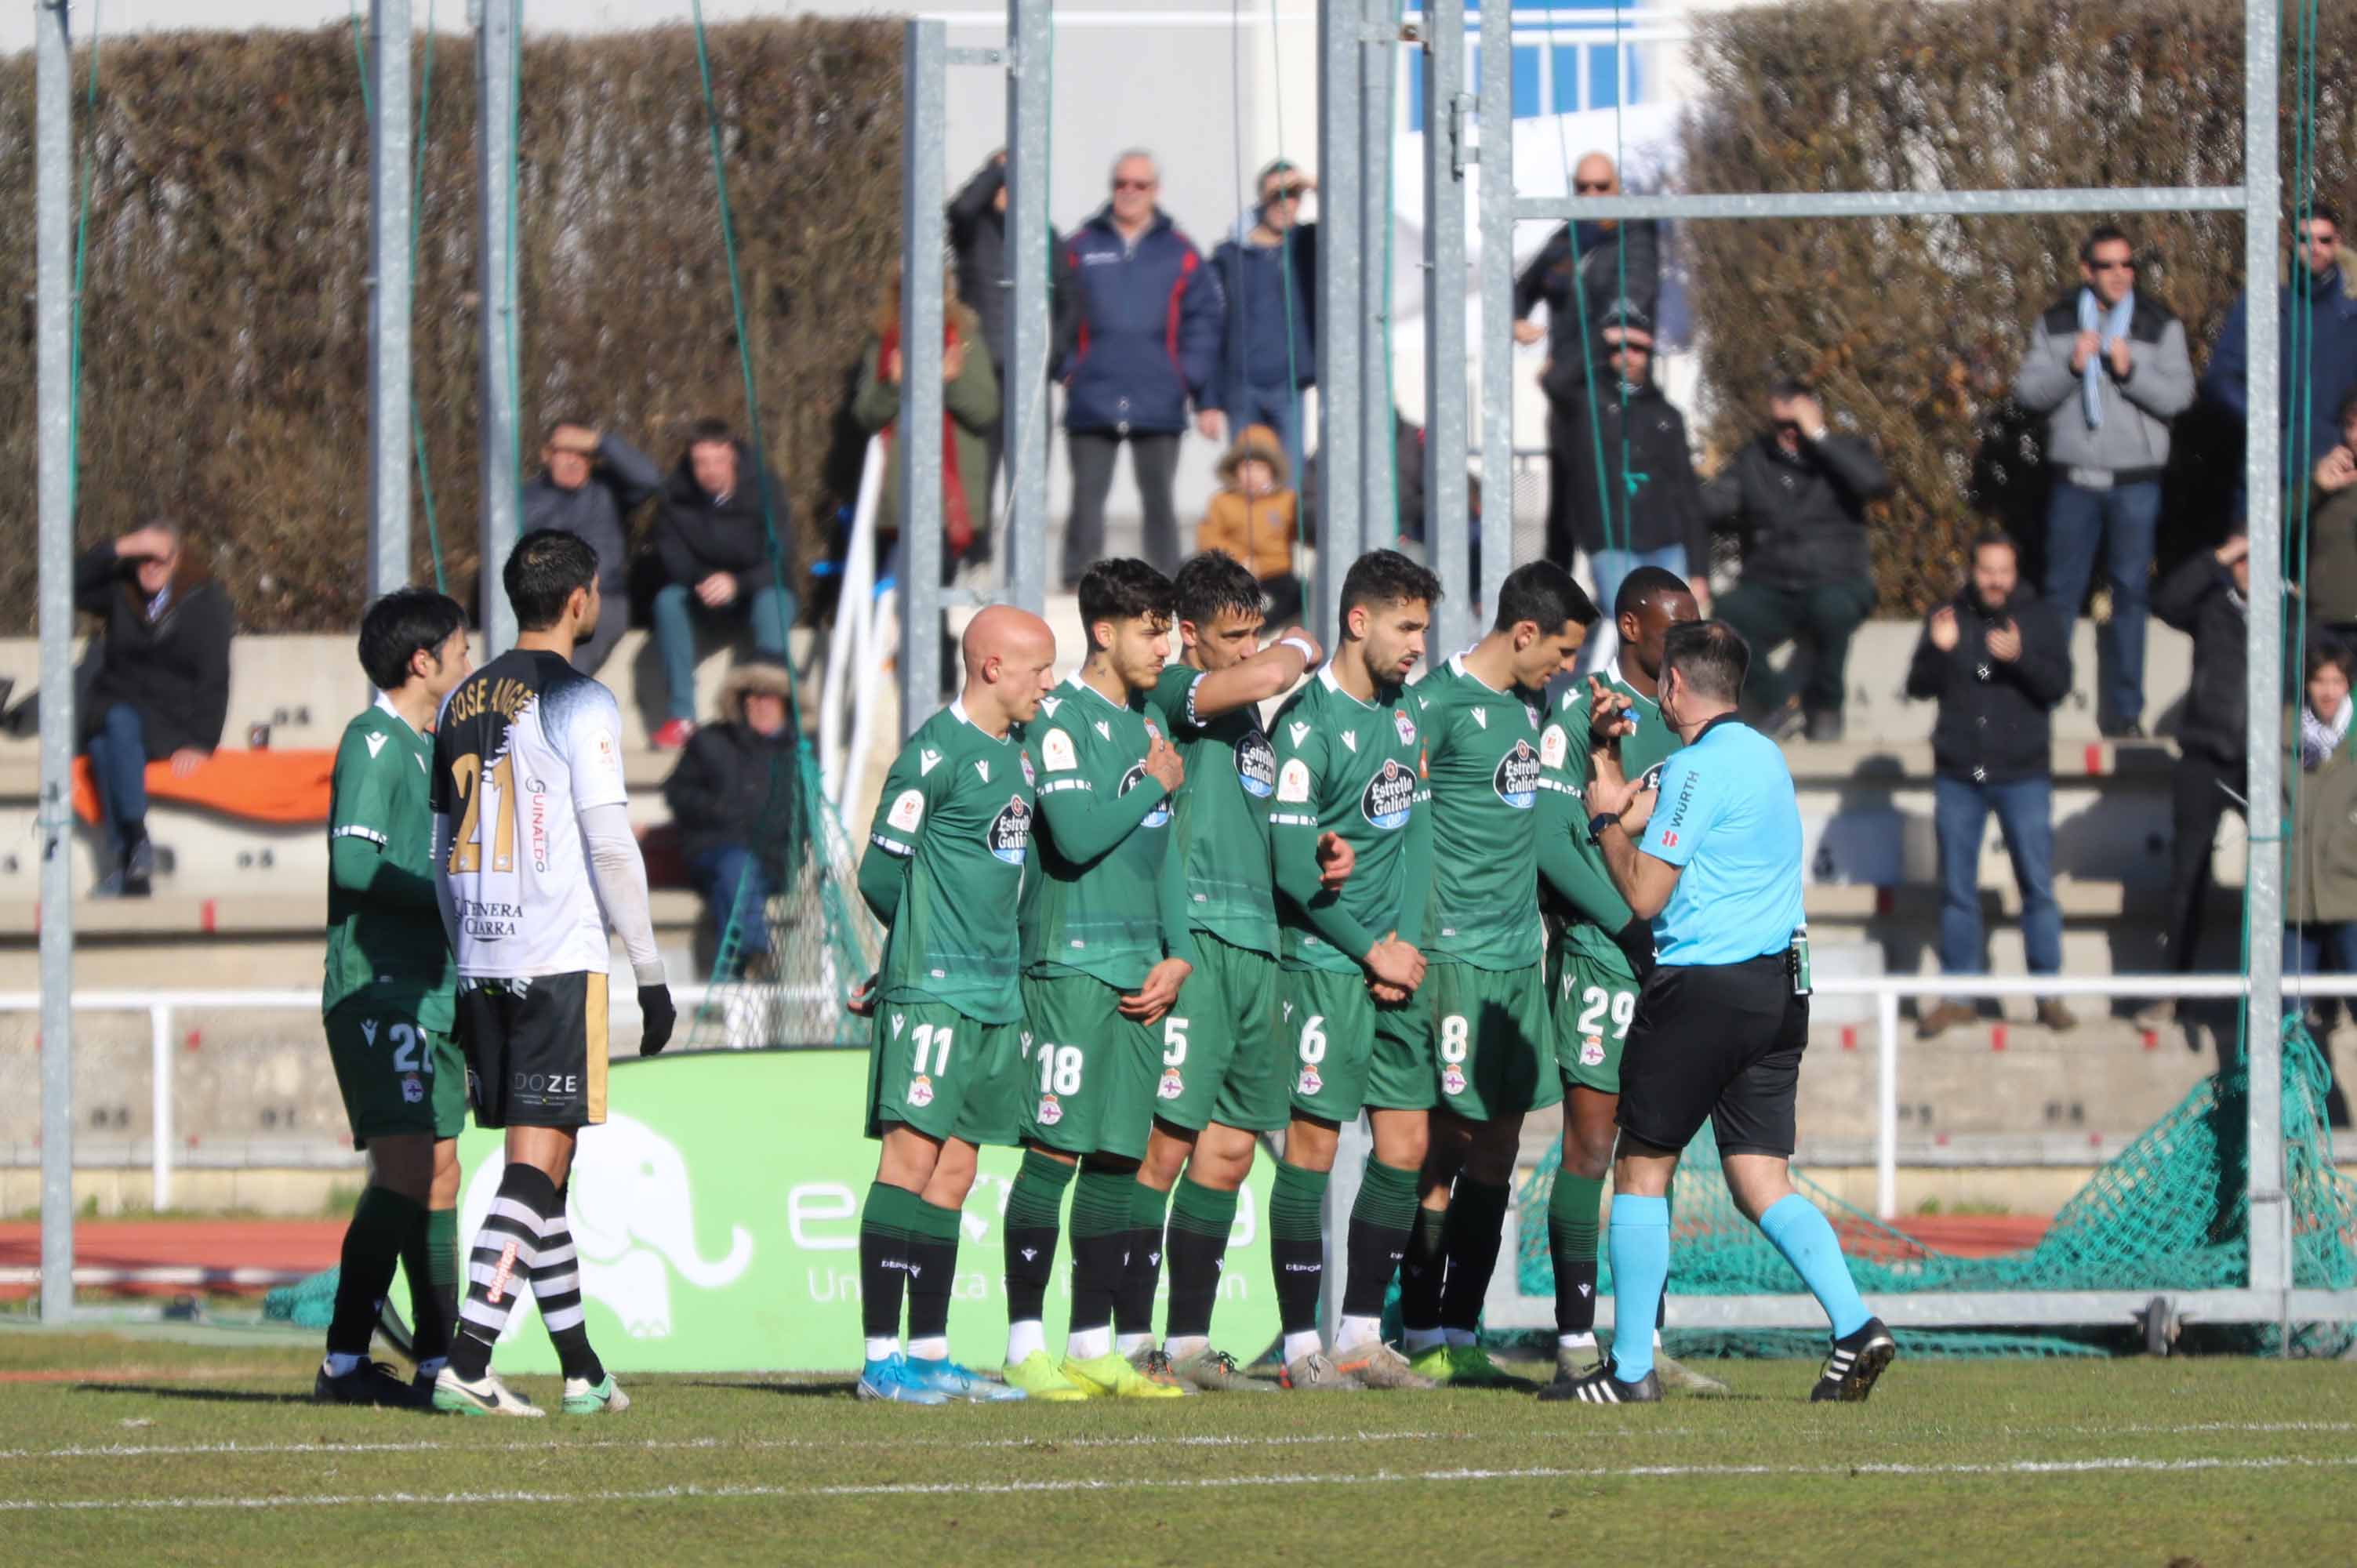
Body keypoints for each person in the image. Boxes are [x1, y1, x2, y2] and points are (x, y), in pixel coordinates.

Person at [1549, 619, 1894, 1405]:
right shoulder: (1762, 756)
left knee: (1640, 1168)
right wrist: (1604, 752)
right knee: (1759, 1176)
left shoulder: (1697, 772)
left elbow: (1639, 885)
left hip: (1706, 985)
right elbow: (1627, 802)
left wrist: (1604, 823)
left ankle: (1631, 1368)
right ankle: (1854, 1324)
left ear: (1672, 684)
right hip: (1782, 990)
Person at [428, 530, 677, 1417]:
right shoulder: (581, 699)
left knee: (548, 1171)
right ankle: (468, 1356)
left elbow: (438, 845)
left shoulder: (459, 694)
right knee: (537, 1165)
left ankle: (580, 1367)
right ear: (582, 599)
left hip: (484, 954)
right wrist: (650, 970)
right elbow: (610, 840)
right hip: (555, 955)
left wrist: (465, 954)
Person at [1131, 552, 1342, 1392]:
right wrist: (1292, 646)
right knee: (1164, 1148)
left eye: (1255, 630)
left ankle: (1187, 1341)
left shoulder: (1250, 722)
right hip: (1202, 939)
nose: (1250, 651)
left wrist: (1318, 854)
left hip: (1261, 946)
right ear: (1188, 634)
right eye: (1233, 636)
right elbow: (1272, 670)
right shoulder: (1176, 694)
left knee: (1227, 1156)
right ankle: (1116, 1336)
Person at [846, 605, 1059, 1404]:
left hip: (996, 993)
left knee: (959, 1168)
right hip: (934, 989)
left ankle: (930, 1353)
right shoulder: (933, 754)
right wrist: (911, 955)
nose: (1049, 682)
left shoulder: (1023, 756)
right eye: (1038, 667)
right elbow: (878, 874)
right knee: (909, 1158)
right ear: (992, 667)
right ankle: (878, 1359)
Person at [1393, 561, 1596, 1391]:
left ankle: (1462, 1325)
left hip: (1520, 956)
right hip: (1453, 955)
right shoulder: (1430, 707)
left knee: (1501, 1144)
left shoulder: (1533, 703)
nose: (1570, 668)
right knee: (1441, 1143)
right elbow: (1397, 823)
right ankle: (1417, 1325)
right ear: (1523, 634)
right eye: (1564, 650)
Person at [998, 558, 1194, 1401]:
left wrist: (1178, 951)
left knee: (1119, 1158)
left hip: (1140, 969)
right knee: (1053, 1151)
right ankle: (1022, 1343)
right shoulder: (1060, 720)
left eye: (1171, 627)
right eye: (1154, 628)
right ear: (1106, 632)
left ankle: (1090, 1342)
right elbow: (1075, 836)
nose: (1168, 643)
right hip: (1070, 960)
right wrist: (1155, 778)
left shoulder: (1148, 718)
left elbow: (1166, 853)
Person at [1532, 566, 1724, 1396]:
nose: (1683, 638)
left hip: (1671, 963)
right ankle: (1575, 1336)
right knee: (1591, 1140)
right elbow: (1548, 839)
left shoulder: (1692, 728)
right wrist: (1626, 927)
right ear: (1632, 625)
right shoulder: (1584, 708)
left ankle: (1644, 1339)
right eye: (1671, 624)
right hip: (1606, 956)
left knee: (1657, 1154)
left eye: (1693, 624)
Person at [1264, 549, 1441, 1393]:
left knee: (1405, 1142)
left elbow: (1414, 839)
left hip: (1392, 961)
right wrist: (1368, 950)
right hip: (1324, 962)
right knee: (1313, 1144)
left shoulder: (1405, 717)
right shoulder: (1303, 726)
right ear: (1358, 620)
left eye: (1424, 629)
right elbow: (1292, 874)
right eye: (1406, 628)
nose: (1417, 646)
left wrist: (1401, 948)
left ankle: (1363, 1333)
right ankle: (1302, 1344)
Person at [314, 587, 474, 1406]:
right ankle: (344, 1359)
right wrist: (452, 892)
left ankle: (441, 1362)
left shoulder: (424, 745)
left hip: (429, 990)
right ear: (424, 661)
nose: (468, 659)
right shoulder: (373, 742)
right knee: (409, 1166)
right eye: (461, 647)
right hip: (377, 990)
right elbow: (353, 867)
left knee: (441, 1170)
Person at [2012, 226, 2197, 739]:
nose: (2119, 275)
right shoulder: (2057, 322)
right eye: (2108, 265)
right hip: (2074, 479)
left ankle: (2126, 713)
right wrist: (2073, 368)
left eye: (2127, 265)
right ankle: (2043, 706)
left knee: (2131, 594)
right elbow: (2028, 392)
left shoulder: (2158, 324)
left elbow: (2180, 396)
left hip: (2136, 482)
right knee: (2060, 594)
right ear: (2086, 271)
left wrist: (2130, 368)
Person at [1907, 532, 2077, 1039]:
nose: (1996, 581)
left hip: (2023, 773)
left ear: (2016, 571)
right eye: (1987, 571)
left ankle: (2048, 994)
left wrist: (2021, 656)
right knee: (1957, 891)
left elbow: (2059, 687)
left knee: (2038, 888)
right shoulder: (1947, 616)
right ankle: (1960, 996)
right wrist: (1939, 653)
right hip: (1959, 775)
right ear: (1973, 570)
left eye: (2004, 571)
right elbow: (1918, 686)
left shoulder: (2041, 617)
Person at [1055, 151, 1224, 585]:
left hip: (1159, 393)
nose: (1129, 192)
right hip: (1093, 390)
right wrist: (1068, 366)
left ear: (1156, 191)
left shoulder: (1180, 251)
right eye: (1121, 183)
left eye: (1140, 185)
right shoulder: (1081, 246)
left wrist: (1186, 375)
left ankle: (1166, 582)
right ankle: (1078, 581)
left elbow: (1204, 318)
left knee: (1159, 498)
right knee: (1087, 498)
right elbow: (1055, 310)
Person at [1705, 379, 1892, 742]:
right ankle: (1779, 703)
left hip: (1837, 578)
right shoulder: (1754, 459)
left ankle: (1826, 707)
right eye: (1782, 425)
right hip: (1772, 584)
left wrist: (1820, 437)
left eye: (1797, 424)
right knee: (1724, 621)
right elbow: (1713, 504)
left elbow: (1874, 484)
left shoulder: (1845, 451)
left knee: (1832, 612)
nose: (1790, 433)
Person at [1517, 151, 1662, 572]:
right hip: (1568, 398)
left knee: (1615, 512)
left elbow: (1622, 320)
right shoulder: (1566, 240)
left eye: (1602, 187)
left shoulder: (1634, 237)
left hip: (1614, 397)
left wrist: (1561, 371)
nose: (1592, 195)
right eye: (1583, 187)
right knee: (1562, 515)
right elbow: (1521, 286)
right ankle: (1554, 617)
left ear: (1618, 189)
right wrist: (1517, 321)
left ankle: (1629, 615)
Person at [74, 521, 234, 897]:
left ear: (176, 560)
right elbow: (66, 585)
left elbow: (216, 676)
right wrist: (119, 546)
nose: (149, 567)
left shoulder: (204, 600)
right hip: (116, 707)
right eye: (142, 558)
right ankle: (135, 856)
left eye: (159, 559)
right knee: (110, 732)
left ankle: (131, 850)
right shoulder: (121, 590)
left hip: (168, 720)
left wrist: (200, 742)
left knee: (109, 737)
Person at [1542, 314, 1709, 645]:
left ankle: (1661, 696)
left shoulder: (1667, 414)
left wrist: (1701, 570)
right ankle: (1617, 693)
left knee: (1672, 631)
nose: (1628, 355)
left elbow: (1688, 494)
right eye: (1620, 348)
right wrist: (1599, 338)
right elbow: (1554, 383)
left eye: (1638, 348)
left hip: (1667, 544)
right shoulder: (1586, 402)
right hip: (1612, 541)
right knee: (1627, 623)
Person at [2141, 534, 2250, 1029]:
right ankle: (2172, 994)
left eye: (2258, 557)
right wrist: (2217, 557)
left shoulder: (2293, 613)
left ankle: (2294, 998)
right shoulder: (2212, 604)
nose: (2249, 568)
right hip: (2203, 757)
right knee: (2187, 880)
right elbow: (2165, 601)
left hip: (2262, 765)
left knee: (2284, 880)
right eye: (2242, 559)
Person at [649, 419, 795, 750]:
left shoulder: (765, 489)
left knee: (772, 603)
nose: (709, 471)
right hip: (703, 592)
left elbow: (780, 555)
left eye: (717, 461)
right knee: (668, 601)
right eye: (701, 463)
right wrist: (702, 580)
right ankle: (681, 718)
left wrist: (738, 583)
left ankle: (771, 716)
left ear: (732, 457)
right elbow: (671, 555)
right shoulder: (675, 495)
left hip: (761, 589)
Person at [946, 149, 1072, 527]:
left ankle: (1025, 563)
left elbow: (1069, 299)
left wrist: (1053, 355)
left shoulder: (1044, 237)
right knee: (978, 472)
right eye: (1002, 184)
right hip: (983, 370)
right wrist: (998, 167)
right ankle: (978, 558)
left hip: (1030, 373)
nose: (1008, 191)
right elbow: (960, 210)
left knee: (1030, 474)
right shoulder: (973, 232)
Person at [852, 268, 1003, 579]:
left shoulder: (965, 341)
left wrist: (948, 382)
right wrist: (894, 387)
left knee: (938, 585)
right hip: (898, 493)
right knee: (904, 594)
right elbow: (865, 414)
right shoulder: (883, 343)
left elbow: (985, 412)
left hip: (951, 495)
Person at [2204, 203, 2357, 508]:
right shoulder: (2263, 300)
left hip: (2341, 472)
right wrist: (2264, 418)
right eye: (2304, 239)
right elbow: (2220, 379)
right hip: (2270, 471)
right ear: (2290, 242)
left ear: (2337, 241)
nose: (2314, 248)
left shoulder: (2352, 308)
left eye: (2324, 240)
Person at [660, 655, 801, 978]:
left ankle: (733, 975)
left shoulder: (797, 753)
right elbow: (677, 793)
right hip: (712, 851)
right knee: (735, 871)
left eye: (767, 696)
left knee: (737, 880)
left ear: (784, 702)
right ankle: (754, 953)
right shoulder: (710, 740)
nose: (757, 704)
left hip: (773, 861)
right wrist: (717, 810)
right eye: (749, 696)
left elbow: (804, 818)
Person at [1205, 160, 1319, 478]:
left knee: (1291, 485)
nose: (1285, 203)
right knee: (1245, 488)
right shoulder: (1229, 257)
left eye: (1293, 194)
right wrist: (1208, 400)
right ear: (1261, 199)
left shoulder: (1308, 245)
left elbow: (1354, 219)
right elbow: (1210, 328)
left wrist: (1311, 182)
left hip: (1290, 386)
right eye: (1276, 194)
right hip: (1241, 388)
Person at [521, 419, 662, 676]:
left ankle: (554, 701)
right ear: (546, 455)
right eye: (565, 452)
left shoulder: (609, 490)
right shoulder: (524, 502)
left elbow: (650, 480)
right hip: (543, 601)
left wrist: (601, 441)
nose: (574, 461)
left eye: (583, 454)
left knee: (570, 663)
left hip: (602, 599)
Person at [2287, 640, 2357, 1123]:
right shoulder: (2282, 734)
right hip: (2294, 900)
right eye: (2320, 681)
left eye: (2337, 681)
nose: (2328, 691)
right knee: (2287, 1019)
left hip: (2350, 895)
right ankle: (2292, 1120)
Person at [1197, 423, 1303, 626]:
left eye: (1260, 467)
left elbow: (1303, 531)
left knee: (1298, 592)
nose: (1252, 474)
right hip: (1234, 572)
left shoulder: (1288, 501)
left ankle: (1263, 626)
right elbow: (1208, 538)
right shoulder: (1222, 501)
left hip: (1276, 572)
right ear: (1235, 470)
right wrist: (1240, 559)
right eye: (1246, 466)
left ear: (1272, 470)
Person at [2301, 389, 2357, 645]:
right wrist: (2316, 487)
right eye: (2349, 425)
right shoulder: (2328, 477)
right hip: (2329, 626)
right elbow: (2268, 526)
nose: (2354, 436)